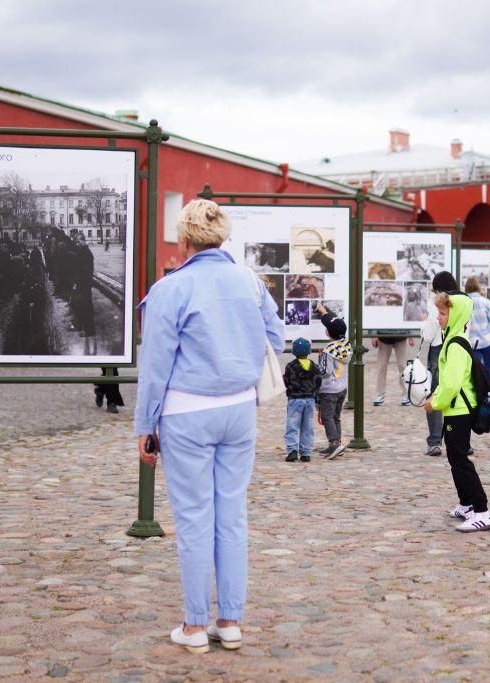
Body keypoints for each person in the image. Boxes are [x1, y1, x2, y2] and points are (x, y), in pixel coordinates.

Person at [135, 199, 285, 655]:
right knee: (232, 514)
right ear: (222, 237)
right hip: (239, 410)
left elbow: (156, 363)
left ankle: (195, 625)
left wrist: (146, 425)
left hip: (186, 411)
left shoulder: (171, 288)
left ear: (184, 240)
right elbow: (274, 340)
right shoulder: (251, 283)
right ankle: (231, 620)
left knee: (195, 517)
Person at [424, 291, 490, 533]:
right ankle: (467, 504)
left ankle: (482, 511)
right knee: (455, 458)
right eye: (439, 313)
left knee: (460, 459)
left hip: (460, 410)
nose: (439, 318)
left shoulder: (455, 344)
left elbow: (453, 384)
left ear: (455, 315)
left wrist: (435, 402)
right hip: (457, 409)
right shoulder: (454, 338)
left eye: (443, 313)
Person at [421, 271, 460, 456]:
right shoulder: (462, 302)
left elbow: (428, 336)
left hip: (438, 349)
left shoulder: (435, 304)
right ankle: (462, 440)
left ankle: (435, 441)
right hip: (459, 348)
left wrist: (423, 324)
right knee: (458, 393)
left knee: (435, 393)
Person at [314, 304, 351, 460]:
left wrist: (315, 369)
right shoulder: (346, 346)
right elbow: (336, 323)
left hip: (329, 390)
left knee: (328, 417)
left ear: (328, 332)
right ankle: (337, 442)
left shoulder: (329, 351)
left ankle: (334, 444)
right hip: (342, 389)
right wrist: (324, 312)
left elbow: (325, 372)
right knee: (336, 417)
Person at [283, 338, 321, 462]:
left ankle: (292, 450)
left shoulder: (290, 366)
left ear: (293, 352)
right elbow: (318, 381)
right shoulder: (314, 366)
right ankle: (306, 453)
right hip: (309, 401)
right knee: (307, 427)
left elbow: (286, 381)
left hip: (295, 400)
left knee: (292, 426)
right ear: (309, 351)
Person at [463, 278, 490, 394]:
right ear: (478, 287)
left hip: (472, 343)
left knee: (475, 370)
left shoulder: (464, 303)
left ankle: (477, 393)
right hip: (488, 340)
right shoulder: (486, 302)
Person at [372, 334, 415, 406]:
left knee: (402, 365)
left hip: (401, 337)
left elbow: (406, 322)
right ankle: (380, 394)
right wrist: (374, 336)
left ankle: (406, 394)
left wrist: (410, 336)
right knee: (382, 366)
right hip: (384, 338)